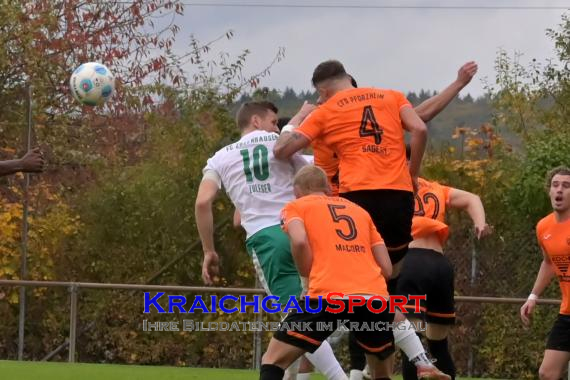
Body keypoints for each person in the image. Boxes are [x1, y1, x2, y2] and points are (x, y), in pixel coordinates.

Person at [194, 101, 346, 380]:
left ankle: (341, 378)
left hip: (269, 238)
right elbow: (323, 172)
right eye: (274, 121)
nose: (277, 126)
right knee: (307, 314)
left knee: (295, 318)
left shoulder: (220, 158)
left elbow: (203, 202)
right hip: (308, 231)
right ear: (256, 120)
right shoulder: (284, 145)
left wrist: (208, 250)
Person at [260, 165, 451, 380]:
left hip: (327, 294)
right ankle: (423, 362)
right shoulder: (360, 212)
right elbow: (387, 268)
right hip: (373, 296)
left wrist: (306, 279)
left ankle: (420, 361)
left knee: (272, 360)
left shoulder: (295, 207)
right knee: (381, 372)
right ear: (329, 189)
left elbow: (299, 240)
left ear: (297, 192)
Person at [274, 59, 427, 288]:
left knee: (357, 265)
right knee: (391, 272)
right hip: (398, 192)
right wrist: (412, 174)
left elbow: (281, 150)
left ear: (322, 90)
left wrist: (290, 125)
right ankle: (390, 319)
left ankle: (355, 317)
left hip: (357, 195)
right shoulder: (392, 96)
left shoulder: (325, 111)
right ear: (347, 77)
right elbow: (420, 129)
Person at [396, 144, 491, 380]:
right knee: (438, 343)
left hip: (412, 263)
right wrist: (479, 223)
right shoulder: (436, 188)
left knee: (412, 340)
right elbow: (472, 198)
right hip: (440, 266)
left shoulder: (392, 187)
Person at [520, 166, 570, 380]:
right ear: (549, 191)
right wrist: (533, 296)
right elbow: (548, 262)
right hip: (567, 312)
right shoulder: (544, 227)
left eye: (566, 186)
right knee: (547, 373)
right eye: (555, 185)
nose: (559, 190)